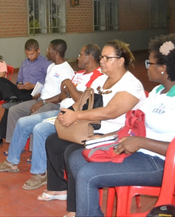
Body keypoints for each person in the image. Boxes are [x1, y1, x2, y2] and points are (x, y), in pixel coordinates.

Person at [69, 34, 175, 217]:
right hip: (139, 152)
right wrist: (106, 138)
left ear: (163, 68)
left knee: (87, 174)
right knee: (76, 158)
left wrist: (141, 142)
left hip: (160, 163)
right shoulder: (158, 91)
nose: (146, 68)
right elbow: (135, 124)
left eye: (150, 63)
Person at [38, 40, 146, 217]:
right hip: (92, 129)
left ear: (121, 61)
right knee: (53, 141)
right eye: (102, 57)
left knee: (72, 152)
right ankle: (59, 189)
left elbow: (109, 112)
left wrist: (76, 116)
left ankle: (75, 208)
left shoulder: (131, 85)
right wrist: (69, 112)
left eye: (107, 57)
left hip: (114, 135)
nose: (102, 60)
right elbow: (84, 102)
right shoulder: (102, 79)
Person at [0, 44, 102, 191]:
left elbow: (83, 101)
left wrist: (69, 86)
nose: (78, 57)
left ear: (91, 57)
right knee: (23, 122)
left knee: (40, 129)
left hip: (74, 116)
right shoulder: (79, 74)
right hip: (61, 110)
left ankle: (40, 173)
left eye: (81, 55)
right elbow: (63, 94)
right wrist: (68, 91)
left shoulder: (98, 77)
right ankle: (11, 162)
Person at [0, 39, 70, 149]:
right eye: (28, 54)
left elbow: (49, 85)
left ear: (38, 51)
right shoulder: (25, 63)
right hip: (24, 91)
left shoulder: (47, 64)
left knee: (11, 109)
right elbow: (19, 78)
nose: (30, 56)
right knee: (1, 81)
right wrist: (20, 84)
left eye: (32, 54)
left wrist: (33, 86)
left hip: (34, 92)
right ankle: (12, 99)